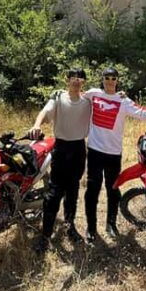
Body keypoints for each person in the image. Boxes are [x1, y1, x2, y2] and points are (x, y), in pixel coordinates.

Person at [83, 67, 146, 242]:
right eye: (107, 77)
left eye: (113, 78)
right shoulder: (93, 94)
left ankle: (111, 224)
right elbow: (75, 97)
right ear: (102, 78)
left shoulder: (123, 100)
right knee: (92, 190)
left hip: (113, 153)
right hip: (94, 150)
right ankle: (91, 228)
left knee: (113, 189)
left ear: (117, 80)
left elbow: (142, 114)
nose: (110, 80)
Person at [28, 68, 91, 252]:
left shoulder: (88, 100)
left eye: (80, 78)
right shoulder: (58, 97)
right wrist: (36, 125)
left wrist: (119, 94)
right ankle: (45, 235)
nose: (76, 81)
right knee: (54, 194)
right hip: (61, 148)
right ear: (66, 80)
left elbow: (107, 99)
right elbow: (44, 111)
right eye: (73, 77)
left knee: (73, 190)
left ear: (84, 82)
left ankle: (69, 226)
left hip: (79, 148)